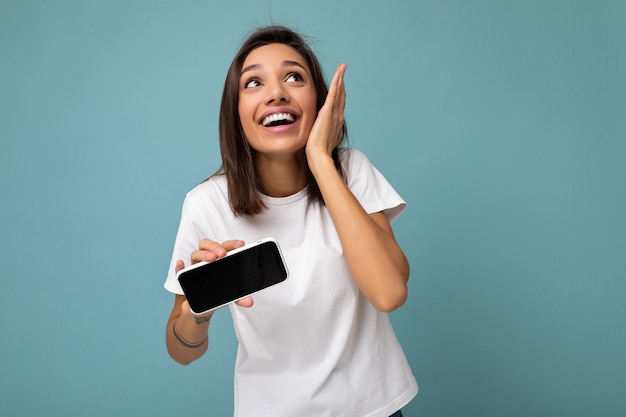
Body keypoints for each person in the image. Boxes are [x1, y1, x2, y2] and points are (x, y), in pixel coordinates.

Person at [164, 25, 418, 417]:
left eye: (294, 76)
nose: (276, 92)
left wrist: (321, 160)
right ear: (236, 114)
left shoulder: (351, 170)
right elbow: (181, 352)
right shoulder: (207, 204)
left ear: (319, 101)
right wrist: (199, 310)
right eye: (253, 83)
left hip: (375, 408)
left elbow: (389, 293)